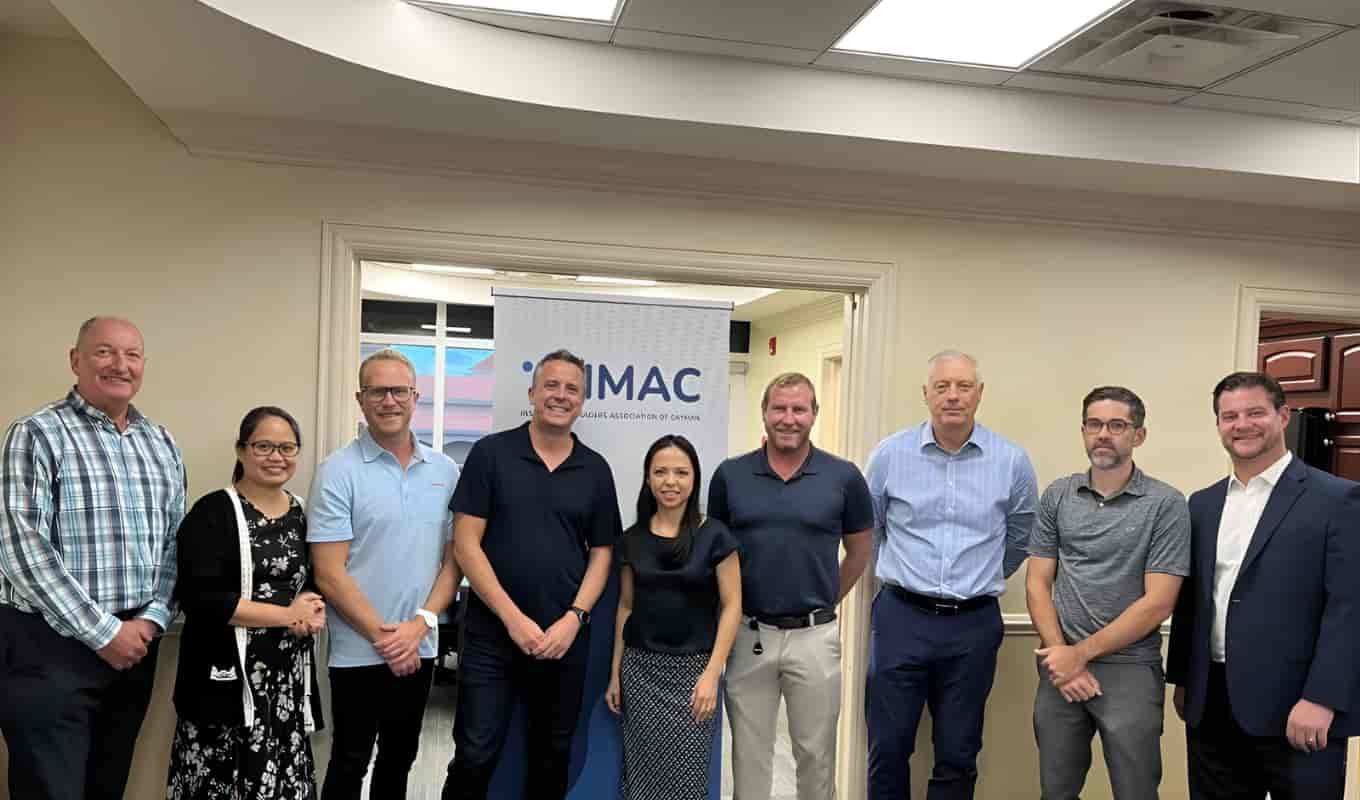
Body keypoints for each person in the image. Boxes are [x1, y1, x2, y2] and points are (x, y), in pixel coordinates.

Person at [0, 316, 186, 800]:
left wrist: (152, 619)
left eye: (132, 355)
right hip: (48, 647)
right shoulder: (36, 434)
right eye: (104, 352)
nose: (120, 365)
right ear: (75, 360)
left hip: (135, 648)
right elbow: (21, 549)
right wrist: (103, 633)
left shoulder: (161, 442)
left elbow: (174, 544)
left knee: (108, 786)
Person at [1167, 371, 1360, 800]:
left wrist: (1323, 698)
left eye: (1255, 413)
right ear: (1218, 424)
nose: (1242, 425)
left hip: (1299, 707)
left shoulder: (1338, 499)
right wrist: (1184, 679)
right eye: (1229, 416)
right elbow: (1194, 600)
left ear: (1283, 416)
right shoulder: (1202, 503)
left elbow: (1350, 608)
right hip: (1211, 704)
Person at [442, 349, 622, 800]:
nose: (561, 395)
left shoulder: (595, 469)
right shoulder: (491, 454)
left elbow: (602, 553)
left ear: (582, 401)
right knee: (475, 753)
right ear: (532, 393)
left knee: (552, 754)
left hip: (564, 639)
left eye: (572, 389)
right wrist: (512, 619)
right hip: (491, 636)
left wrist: (574, 618)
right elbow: (466, 544)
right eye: (552, 386)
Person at [864, 349, 1037, 800]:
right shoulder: (889, 455)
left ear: (980, 394)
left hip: (973, 624)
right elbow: (871, 529)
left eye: (964, 386)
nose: (953, 396)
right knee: (888, 746)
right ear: (926, 394)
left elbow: (1021, 537)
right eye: (942, 387)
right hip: (902, 617)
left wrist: (977, 579)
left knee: (959, 752)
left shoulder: (1011, 461)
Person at [708, 371, 874, 800]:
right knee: (749, 757)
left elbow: (859, 552)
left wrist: (824, 599)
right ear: (764, 413)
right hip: (748, 635)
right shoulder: (730, 476)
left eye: (799, 409)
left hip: (815, 637)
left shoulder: (844, 477)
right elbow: (717, 556)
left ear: (814, 414)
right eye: (779, 408)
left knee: (816, 757)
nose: (788, 418)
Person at [308, 348, 463, 800]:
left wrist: (418, 627)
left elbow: (454, 561)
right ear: (360, 399)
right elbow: (329, 573)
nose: (389, 400)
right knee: (350, 760)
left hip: (420, 644)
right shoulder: (337, 472)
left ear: (416, 397)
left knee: (399, 759)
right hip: (358, 651)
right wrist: (387, 640)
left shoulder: (445, 471)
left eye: (399, 390)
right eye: (377, 391)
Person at [1025, 386, 1190, 799]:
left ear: (1139, 435)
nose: (1103, 434)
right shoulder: (1058, 495)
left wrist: (1078, 656)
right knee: (1056, 792)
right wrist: (1061, 654)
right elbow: (1038, 581)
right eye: (1094, 424)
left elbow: (1158, 603)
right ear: (1083, 431)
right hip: (1059, 667)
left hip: (1129, 669)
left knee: (1135, 792)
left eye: (1117, 425)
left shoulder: (1166, 504)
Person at [167, 406, 327, 799]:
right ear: (241, 450)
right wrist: (286, 615)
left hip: (285, 681)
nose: (277, 457)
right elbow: (201, 598)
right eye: (264, 446)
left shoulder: (303, 512)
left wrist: (310, 607)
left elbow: (311, 580)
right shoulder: (212, 512)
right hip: (228, 681)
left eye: (287, 448)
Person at [605, 434, 742, 800]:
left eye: (681, 472)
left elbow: (732, 606)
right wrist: (616, 674)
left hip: (694, 675)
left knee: (687, 781)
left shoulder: (715, 536)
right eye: (660, 472)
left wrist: (712, 674)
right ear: (648, 478)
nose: (670, 481)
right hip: (640, 673)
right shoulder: (632, 539)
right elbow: (626, 607)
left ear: (694, 478)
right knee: (641, 782)